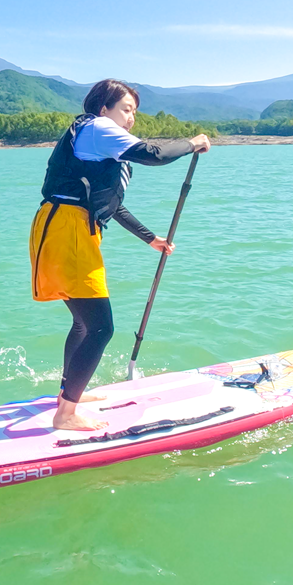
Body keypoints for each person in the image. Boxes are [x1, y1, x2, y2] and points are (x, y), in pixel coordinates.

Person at [30, 79, 211, 430]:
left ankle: (70, 397)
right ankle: (65, 415)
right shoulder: (97, 127)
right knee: (100, 327)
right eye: (126, 109)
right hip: (66, 228)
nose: (131, 119)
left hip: (71, 227)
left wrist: (150, 239)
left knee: (84, 323)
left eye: (134, 112)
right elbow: (152, 154)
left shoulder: (97, 141)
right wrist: (193, 143)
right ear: (103, 109)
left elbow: (110, 206)